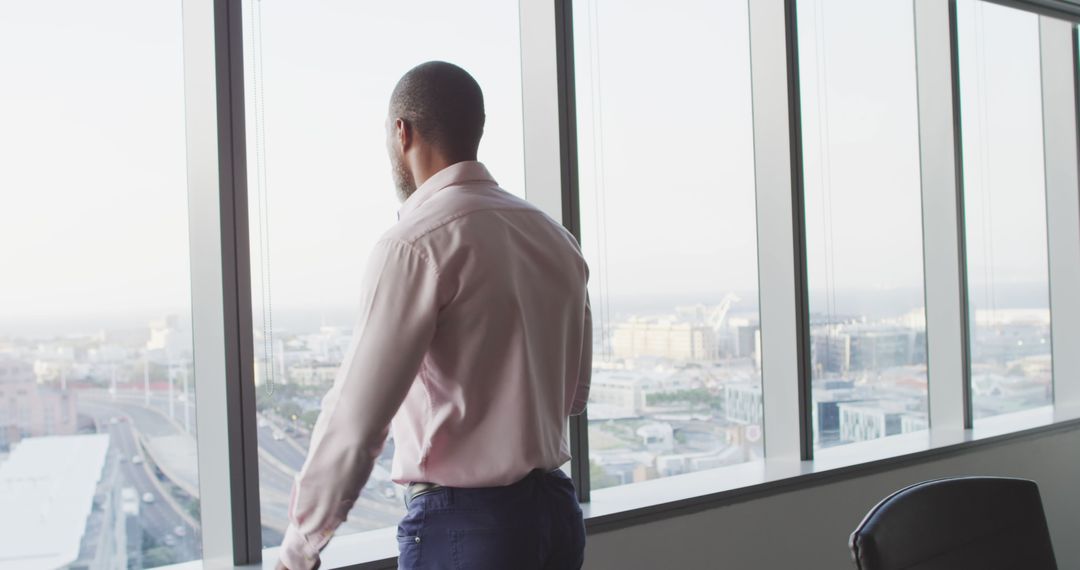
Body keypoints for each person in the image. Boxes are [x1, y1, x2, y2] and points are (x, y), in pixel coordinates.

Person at [276, 61, 591, 570]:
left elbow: (355, 423)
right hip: (556, 518)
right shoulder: (556, 239)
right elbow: (574, 394)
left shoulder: (415, 245)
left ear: (401, 132)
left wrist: (298, 551)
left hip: (467, 529)